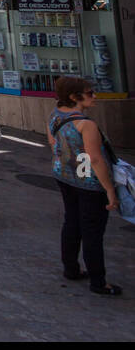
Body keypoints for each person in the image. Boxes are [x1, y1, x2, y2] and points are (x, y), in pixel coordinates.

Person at [49, 77, 121, 295]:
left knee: (72, 222)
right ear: (74, 97)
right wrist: (109, 189)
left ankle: (71, 268)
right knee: (92, 231)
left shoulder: (55, 115)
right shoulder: (86, 124)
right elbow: (96, 159)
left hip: (64, 175)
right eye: (90, 93)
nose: (94, 96)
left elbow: (54, 146)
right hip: (88, 181)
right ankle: (99, 281)